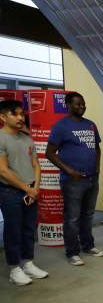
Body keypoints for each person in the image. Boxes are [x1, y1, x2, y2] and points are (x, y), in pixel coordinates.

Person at [46, 92, 103, 266]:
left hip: (92, 178)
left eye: (83, 104)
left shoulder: (90, 125)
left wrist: (97, 168)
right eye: (77, 104)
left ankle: (88, 245)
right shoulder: (61, 126)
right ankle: (72, 252)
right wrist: (70, 171)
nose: (81, 107)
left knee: (88, 215)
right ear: (68, 105)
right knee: (72, 218)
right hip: (73, 180)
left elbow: (97, 148)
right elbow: (49, 153)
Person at [0, 100, 47, 285]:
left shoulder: (27, 138)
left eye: (22, 114)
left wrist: (35, 187)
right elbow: (3, 171)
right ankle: (14, 269)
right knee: (13, 230)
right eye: (15, 114)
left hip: (30, 191)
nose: (21, 118)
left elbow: (36, 165)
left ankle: (28, 263)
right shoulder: (2, 138)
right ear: (3, 117)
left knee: (29, 228)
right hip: (10, 192)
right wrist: (27, 188)